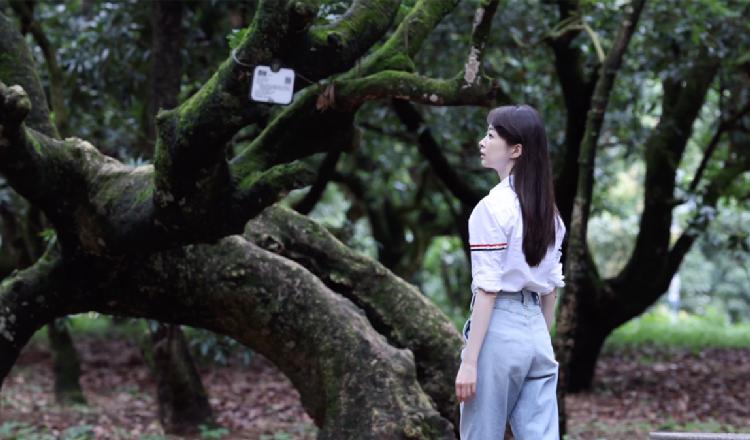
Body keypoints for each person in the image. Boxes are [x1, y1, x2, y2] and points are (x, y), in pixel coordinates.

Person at [455, 104, 566, 439]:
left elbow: (488, 290)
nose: (482, 142)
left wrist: (469, 361)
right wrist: (538, 340)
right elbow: (551, 289)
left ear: (515, 150)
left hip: (499, 331)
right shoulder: (550, 214)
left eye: (491, 135)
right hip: (537, 334)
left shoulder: (491, 208)